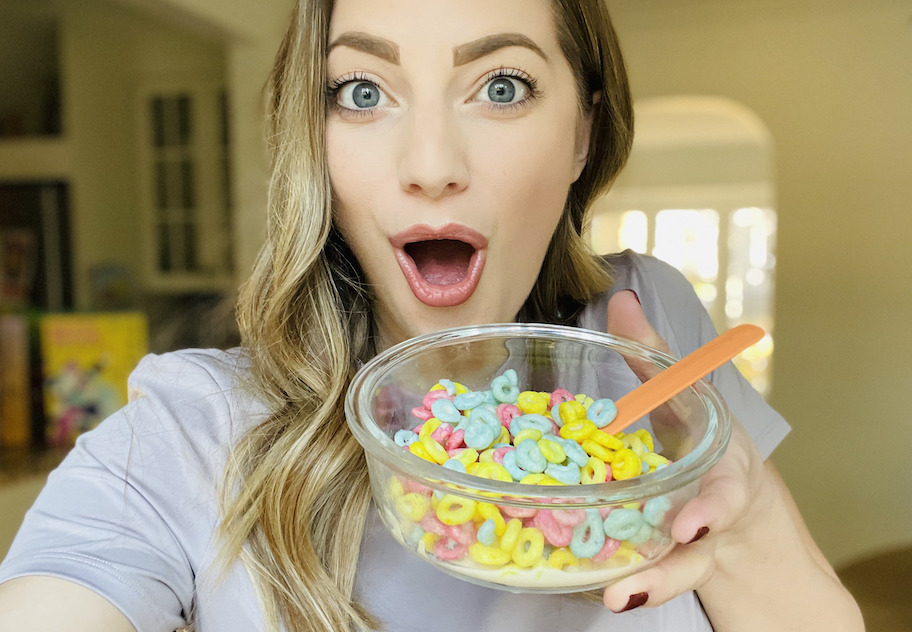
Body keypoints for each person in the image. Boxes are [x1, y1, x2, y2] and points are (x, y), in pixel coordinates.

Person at [0, 0, 864, 630]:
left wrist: (750, 523)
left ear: (583, 137)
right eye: (363, 92)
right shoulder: (195, 433)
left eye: (501, 84)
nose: (430, 165)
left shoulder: (647, 323)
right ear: (314, 135)